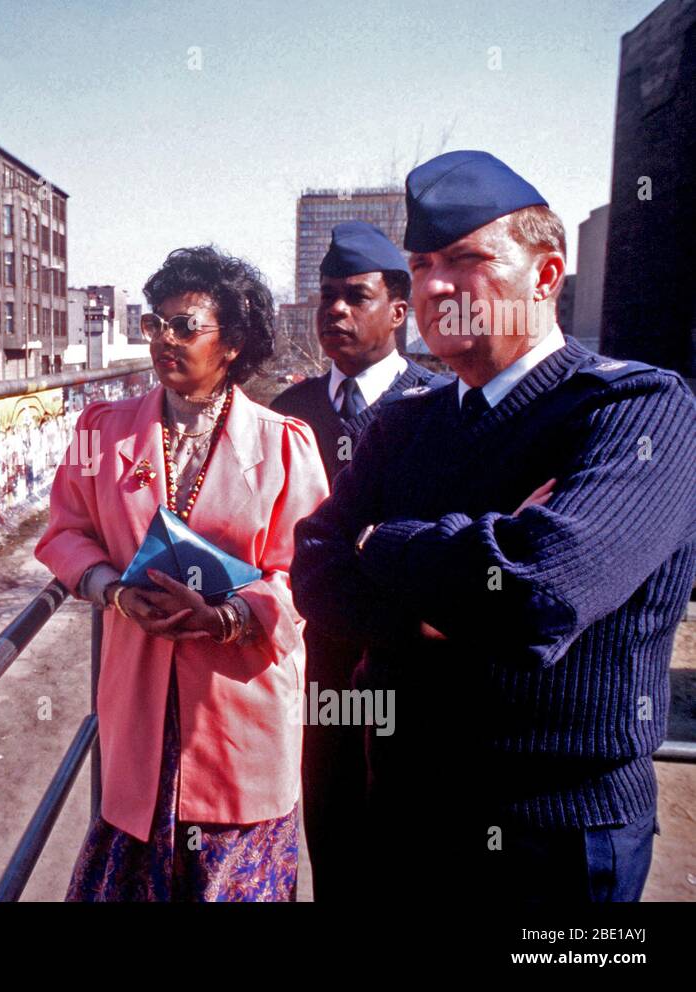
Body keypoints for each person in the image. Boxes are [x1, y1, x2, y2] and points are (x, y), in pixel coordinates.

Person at [290, 150, 696, 902]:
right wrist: (463, 583)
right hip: (404, 819)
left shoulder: (634, 411)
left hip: (556, 842)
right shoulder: (406, 424)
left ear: (546, 275)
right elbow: (314, 572)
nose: (437, 284)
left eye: (466, 258)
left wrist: (382, 542)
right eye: (422, 263)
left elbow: (536, 595)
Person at [35, 245, 329, 901]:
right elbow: (64, 532)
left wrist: (232, 616)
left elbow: (311, 575)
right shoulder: (103, 431)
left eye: (184, 325)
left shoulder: (285, 445)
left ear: (233, 343)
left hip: (237, 712)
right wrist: (110, 590)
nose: (163, 340)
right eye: (153, 323)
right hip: (139, 706)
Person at [271, 221, 447, 901]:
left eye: (355, 297)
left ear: (400, 311)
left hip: (416, 676)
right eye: (326, 298)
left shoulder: (437, 409)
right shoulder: (289, 414)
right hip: (316, 680)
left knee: (414, 862)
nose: (335, 311)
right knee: (335, 851)